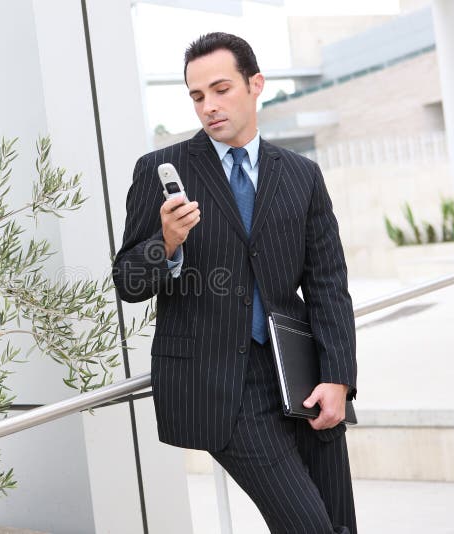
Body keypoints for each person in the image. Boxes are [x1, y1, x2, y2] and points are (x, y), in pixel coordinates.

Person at [112, 32, 357, 534]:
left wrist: (339, 376)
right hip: (221, 385)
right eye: (197, 96)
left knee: (337, 522)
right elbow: (128, 282)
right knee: (308, 525)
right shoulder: (161, 171)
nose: (209, 106)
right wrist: (167, 241)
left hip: (301, 374)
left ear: (256, 84)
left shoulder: (301, 175)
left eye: (221, 89)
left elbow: (328, 281)